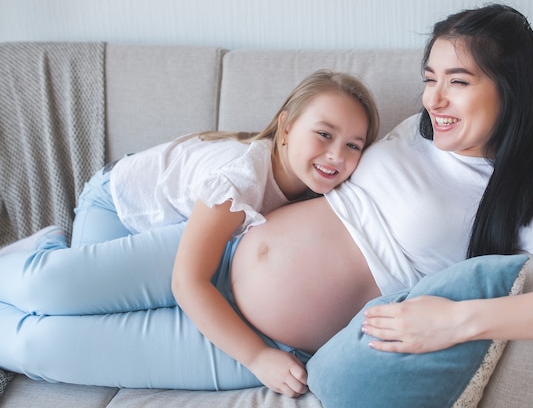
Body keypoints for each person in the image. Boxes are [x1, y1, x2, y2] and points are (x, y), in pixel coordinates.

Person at [1, 2, 533, 398]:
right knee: (44, 290)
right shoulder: (413, 130)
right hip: (224, 247)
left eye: (458, 83)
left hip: (270, 347)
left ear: (511, 91)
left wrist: (462, 320)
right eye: (430, 78)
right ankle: (47, 247)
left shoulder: (531, 200)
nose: (435, 100)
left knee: (39, 348)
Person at [0, 69, 379, 397]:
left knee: (83, 324)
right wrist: (257, 357)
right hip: (120, 205)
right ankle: (45, 247)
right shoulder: (239, 179)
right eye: (324, 134)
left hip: (177, 225)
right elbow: (188, 282)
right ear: (286, 126)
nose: (336, 156)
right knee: (67, 304)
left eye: (353, 146)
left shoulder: (321, 193)